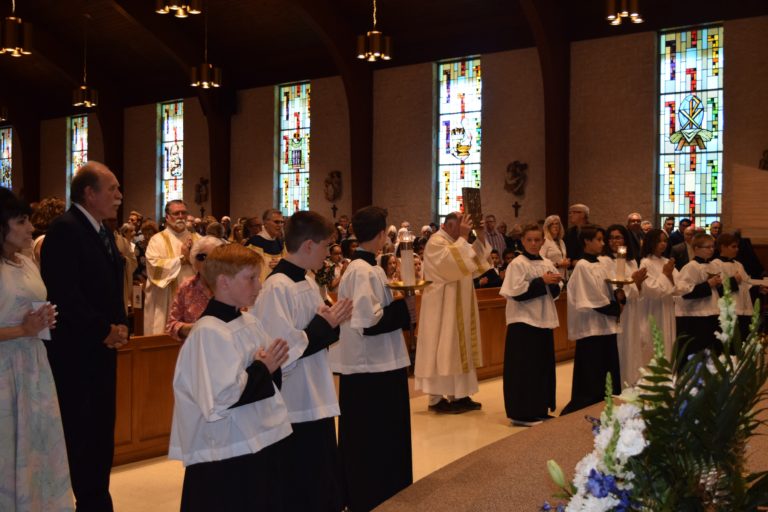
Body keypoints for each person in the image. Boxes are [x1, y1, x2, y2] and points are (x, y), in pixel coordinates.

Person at [169, 243, 292, 512]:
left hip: (257, 441)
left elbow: (269, 377)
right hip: (225, 452)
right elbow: (220, 398)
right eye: (251, 278)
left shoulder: (248, 322)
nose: (259, 286)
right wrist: (263, 368)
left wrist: (269, 366)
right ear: (223, 282)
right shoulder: (208, 332)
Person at [41, 161, 128, 511]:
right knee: (83, 434)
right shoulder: (65, 230)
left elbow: (109, 286)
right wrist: (103, 329)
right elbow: (65, 294)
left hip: (102, 350)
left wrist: (121, 327)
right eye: (113, 189)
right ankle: (92, 502)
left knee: (102, 435)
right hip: (77, 354)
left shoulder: (102, 231)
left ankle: (96, 500)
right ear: (89, 194)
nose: (119, 196)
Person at [253, 210, 353, 512]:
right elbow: (282, 349)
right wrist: (325, 326)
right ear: (308, 245)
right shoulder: (277, 287)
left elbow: (318, 328)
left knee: (322, 477)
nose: (328, 254)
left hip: (316, 391)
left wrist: (331, 324)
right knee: (301, 481)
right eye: (325, 246)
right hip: (294, 402)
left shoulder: (307, 281)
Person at [329, 206, 414, 512]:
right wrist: (405, 305)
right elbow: (370, 322)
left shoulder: (369, 268)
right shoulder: (362, 271)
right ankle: (371, 494)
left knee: (376, 438)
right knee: (373, 440)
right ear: (381, 235)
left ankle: (383, 490)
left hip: (378, 366)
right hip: (371, 369)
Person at [0, 187, 72, 511]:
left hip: (33, 365)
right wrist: (22, 329)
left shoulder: (26, 261)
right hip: (5, 369)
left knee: (35, 446)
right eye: (21, 222)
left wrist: (43, 320)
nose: (31, 228)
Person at [414, 212, 491, 414]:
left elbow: (476, 263)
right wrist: (464, 237)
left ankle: (460, 395)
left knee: (459, 349)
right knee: (443, 348)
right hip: (442, 307)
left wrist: (480, 235)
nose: (462, 231)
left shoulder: (457, 241)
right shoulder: (436, 242)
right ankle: (436, 398)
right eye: (459, 227)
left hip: (461, 303)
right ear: (447, 226)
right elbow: (451, 265)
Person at [499, 223, 562, 427]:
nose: (534, 244)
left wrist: (553, 284)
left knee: (541, 367)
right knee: (523, 369)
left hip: (543, 321)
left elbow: (556, 291)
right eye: (530, 240)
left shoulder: (546, 262)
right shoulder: (517, 263)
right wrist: (541, 282)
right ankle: (522, 413)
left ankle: (539, 409)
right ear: (522, 241)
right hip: (523, 323)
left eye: (537, 240)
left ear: (543, 241)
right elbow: (516, 293)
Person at [561, 225, 622, 415]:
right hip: (591, 326)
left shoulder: (601, 264)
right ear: (587, 241)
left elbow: (608, 290)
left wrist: (619, 293)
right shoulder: (582, 266)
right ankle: (585, 404)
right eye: (599, 239)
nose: (603, 243)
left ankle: (604, 403)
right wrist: (614, 307)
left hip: (605, 326)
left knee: (606, 368)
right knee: (591, 370)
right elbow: (591, 296)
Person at [144, 200, 201, 335]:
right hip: (165, 300)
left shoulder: (198, 239)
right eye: (176, 213)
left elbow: (210, 269)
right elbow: (154, 268)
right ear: (168, 217)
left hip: (193, 298)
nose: (181, 216)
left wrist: (192, 259)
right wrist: (181, 259)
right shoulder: (157, 240)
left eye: (183, 213)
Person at [602, 224, 647, 387]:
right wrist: (631, 285)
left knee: (633, 345)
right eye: (611, 238)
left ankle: (633, 380)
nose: (614, 241)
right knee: (621, 345)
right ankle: (620, 383)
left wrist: (638, 284)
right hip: (619, 310)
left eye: (618, 237)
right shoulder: (604, 261)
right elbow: (612, 288)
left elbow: (638, 290)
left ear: (626, 240)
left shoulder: (632, 261)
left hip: (633, 310)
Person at [675, 233, 722, 366]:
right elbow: (685, 293)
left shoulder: (714, 266)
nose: (711, 250)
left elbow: (716, 292)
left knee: (710, 353)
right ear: (696, 248)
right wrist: (708, 284)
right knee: (694, 354)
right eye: (707, 247)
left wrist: (718, 285)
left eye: (713, 247)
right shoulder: (691, 267)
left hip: (711, 313)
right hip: (694, 317)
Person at [165, 236, 225, 342]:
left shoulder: (230, 286)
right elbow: (171, 326)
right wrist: (194, 328)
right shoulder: (186, 287)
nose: (207, 262)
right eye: (202, 257)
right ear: (194, 260)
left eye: (213, 257)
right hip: (194, 352)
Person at [638, 228, 680, 359]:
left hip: (667, 306)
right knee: (654, 340)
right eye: (659, 241)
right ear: (651, 242)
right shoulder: (645, 262)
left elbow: (679, 286)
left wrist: (671, 278)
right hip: (653, 308)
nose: (663, 244)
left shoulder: (666, 261)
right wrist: (666, 274)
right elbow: (651, 289)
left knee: (668, 339)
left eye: (665, 241)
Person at [710, 233, 754, 340]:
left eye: (737, 246)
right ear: (723, 247)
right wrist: (733, 281)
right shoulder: (715, 264)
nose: (737, 249)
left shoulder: (738, 264)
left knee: (742, 340)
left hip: (743, 307)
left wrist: (759, 288)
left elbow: (747, 284)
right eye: (733, 246)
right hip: (728, 310)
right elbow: (717, 288)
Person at [246, 208, 287, 283]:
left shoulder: (280, 243)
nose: (280, 225)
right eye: (276, 222)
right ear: (265, 223)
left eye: (282, 222)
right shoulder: (255, 243)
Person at [540, 214, 569, 280]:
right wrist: (559, 264)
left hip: (563, 277)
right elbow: (541, 262)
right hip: (551, 277)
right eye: (552, 224)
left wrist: (566, 262)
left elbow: (562, 258)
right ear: (548, 227)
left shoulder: (561, 241)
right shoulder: (545, 241)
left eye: (557, 224)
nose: (555, 226)